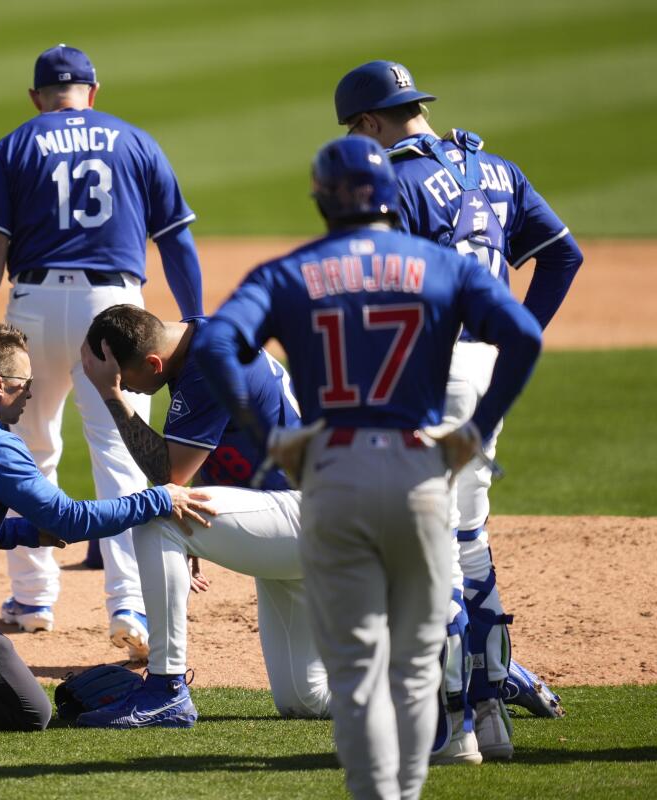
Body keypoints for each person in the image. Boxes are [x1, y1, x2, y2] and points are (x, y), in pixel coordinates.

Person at [192, 136, 542, 799]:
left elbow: (213, 340)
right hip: (419, 470)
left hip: (334, 472)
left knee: (356, 672)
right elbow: (524, 334)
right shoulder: (440, 265)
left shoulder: (290, 270)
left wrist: (270, 436)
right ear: (389, 195)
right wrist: (476, 428)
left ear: (322, 200)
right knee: (415, 668)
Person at [334, 60, 578, 761]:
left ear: (374, 122)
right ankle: (491, 707)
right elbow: (564, 256)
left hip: (429, 379)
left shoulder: (394, 182)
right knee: (470, 542)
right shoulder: (495, 168)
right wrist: (516, 337)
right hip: (485, 375)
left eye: (358, 130)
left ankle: (451, 731)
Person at [0, 44, 205, 659]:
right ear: (93, 92)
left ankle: (34, 600)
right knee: (122, 455)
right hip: (115, 310)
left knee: (29, 447)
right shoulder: (134, 141)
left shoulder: (16, 143)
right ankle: (131, 606)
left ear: (37, 97)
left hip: (37, 304)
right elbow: (176, 240)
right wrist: (193, 320)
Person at [0, 323, 212, 732]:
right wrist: (160, 498)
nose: (30, 392)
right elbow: (69, 519)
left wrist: (25, 532)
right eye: (24, 383)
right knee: (30, 711)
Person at [76, 304, 329, 727]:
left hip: (310, 514)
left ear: (153, 362)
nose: (131, 389)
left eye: (129, 380)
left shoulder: (210, 362)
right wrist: (201, 528)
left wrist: (111, 395)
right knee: (304, 700)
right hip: (293, 514)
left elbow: (168, 473)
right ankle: (410, 699)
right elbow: (215, 443)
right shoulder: (203, 341)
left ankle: (165, 690)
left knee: (157, 513)